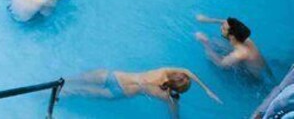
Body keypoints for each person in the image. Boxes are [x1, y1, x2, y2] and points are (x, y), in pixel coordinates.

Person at [66, 67, 221, 116]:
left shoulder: (164, 71)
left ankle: (57, 85)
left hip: (115, 76)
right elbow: (174, 115)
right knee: (81, 91)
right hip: (121, 92)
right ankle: (62, 93)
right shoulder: (167, 97)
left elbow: (188, 71)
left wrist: (207, 89)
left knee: (73, 80)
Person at [195, 15, 268, 78]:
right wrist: (207, 20)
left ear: (232, 36)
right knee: (218, 43)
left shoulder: (240, 53)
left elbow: (221, 64)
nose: (220, 28)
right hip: (262, 65)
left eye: (223, 28)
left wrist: (205, 43)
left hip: (254, 77)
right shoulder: (242, 36)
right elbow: (226, 22)